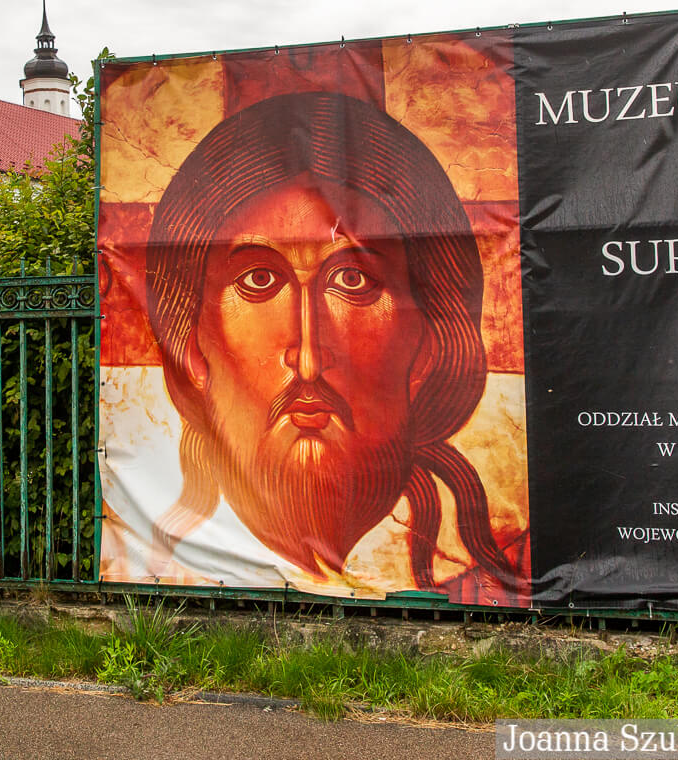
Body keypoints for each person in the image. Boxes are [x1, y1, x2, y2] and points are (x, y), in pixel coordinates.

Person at [143, 91, 523, 599]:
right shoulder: (151, 565)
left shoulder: (496, 577)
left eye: (352, 280)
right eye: (258, 280)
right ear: (190, 347)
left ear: (428, 346)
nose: (308, 359)